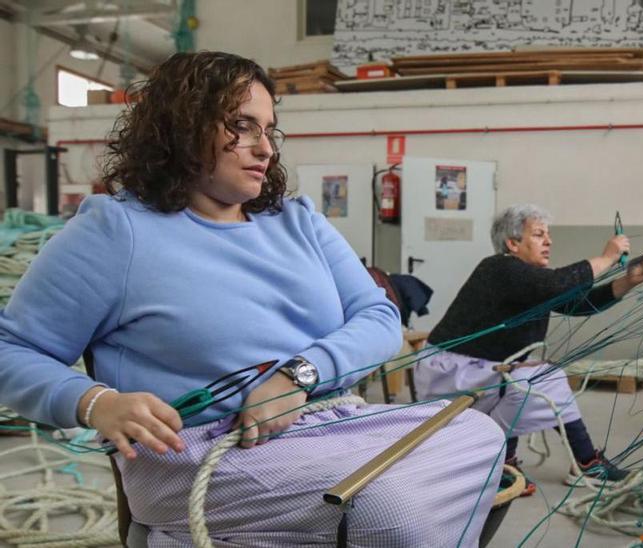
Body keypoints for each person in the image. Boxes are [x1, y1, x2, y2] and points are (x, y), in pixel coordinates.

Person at [0, 52, 504, 546]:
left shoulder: (299, 221)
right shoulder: (115, 232)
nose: (265, 148)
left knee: (481, 433)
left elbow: (378, 318)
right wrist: (94, 402)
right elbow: (11, 349)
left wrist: (298, 376)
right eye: (242, 126)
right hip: (203, 450)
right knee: (386, 506)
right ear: (181, 128)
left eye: (269, 130)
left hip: (329, 423)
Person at [416, 204, 643, 491]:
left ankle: (561, 463)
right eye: (539, 234)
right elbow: (559, 285)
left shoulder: (528, 279)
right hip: (451, 370)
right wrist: (608, 257)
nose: (549, 241)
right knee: (539, 380)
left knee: (542, 378)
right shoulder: (499, 268)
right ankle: (505, 461)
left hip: (481, 368)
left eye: (548, 234)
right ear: (513, 243)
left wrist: (628, 281)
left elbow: (577, 303)